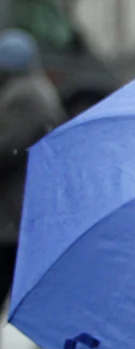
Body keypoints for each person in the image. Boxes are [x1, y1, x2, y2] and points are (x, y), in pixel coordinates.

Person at [0, 29, 65, 311]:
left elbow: (7, 147)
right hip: (18, 208)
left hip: (13, 213)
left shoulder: (25, 96)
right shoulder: (31, 89)